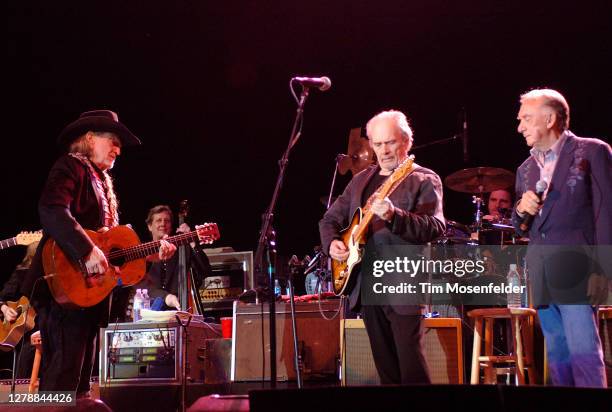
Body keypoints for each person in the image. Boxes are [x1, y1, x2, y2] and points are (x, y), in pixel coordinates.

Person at [20, 110, 177, 398]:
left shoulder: (102, 181)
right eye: (112, 140)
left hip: (91, 294)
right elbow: (51, 209)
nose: (118, 149)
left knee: (80, 381)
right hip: (65, 287)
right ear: (90, 139)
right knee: (63, 375)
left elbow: (108, 249)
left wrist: (151, 254)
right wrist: (85, 249)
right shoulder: (69, 166)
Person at [319, 110, 445, 384]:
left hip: (403, 285)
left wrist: (393, 216)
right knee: (386, 372)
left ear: (406, 141)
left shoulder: (423, 179)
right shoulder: (360, 181)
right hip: (366, 285)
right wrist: (333, 244)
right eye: (378, 144)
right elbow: (329, 219)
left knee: (412, 370)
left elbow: (434, 227)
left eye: (390, 142)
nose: (384, 150)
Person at [513, 89, 611, 387]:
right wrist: (520, 209)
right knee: (558, 358)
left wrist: (603, 271)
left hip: (579, 268)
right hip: (542, 270)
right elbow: (520, 227)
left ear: (551, 118)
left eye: (527, 119)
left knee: (584, 356)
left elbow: (606, 213)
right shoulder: (525, 169)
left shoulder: (591, 152)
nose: (520, 127)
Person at [136, 205, 212, 310]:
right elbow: (140, 284)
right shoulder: (143, 253)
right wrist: (166, 297)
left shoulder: (182, 250)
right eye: (159, 220)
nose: (163, 224)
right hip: (150, 309)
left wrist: (191, 240)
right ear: (149, 226)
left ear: (171, 226)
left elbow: (206, 271)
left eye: (167, 221)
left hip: (180, 308)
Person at [0, 241, 39, 377]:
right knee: (28, 349)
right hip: (24, 334)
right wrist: (4, 309)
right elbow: (2, 297)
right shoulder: (20, 274)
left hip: (45, 328)